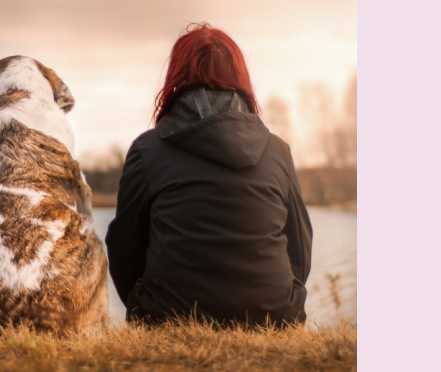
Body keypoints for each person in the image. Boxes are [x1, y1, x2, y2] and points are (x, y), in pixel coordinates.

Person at [105, 23, 313, 327]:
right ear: (240, 78)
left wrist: (143, 305)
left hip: (168, 317)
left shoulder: (147, 150)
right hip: (274, 317)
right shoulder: (277, 151)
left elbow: (124, 248)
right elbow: (300, 247)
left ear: (176, 77)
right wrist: (285, 299)